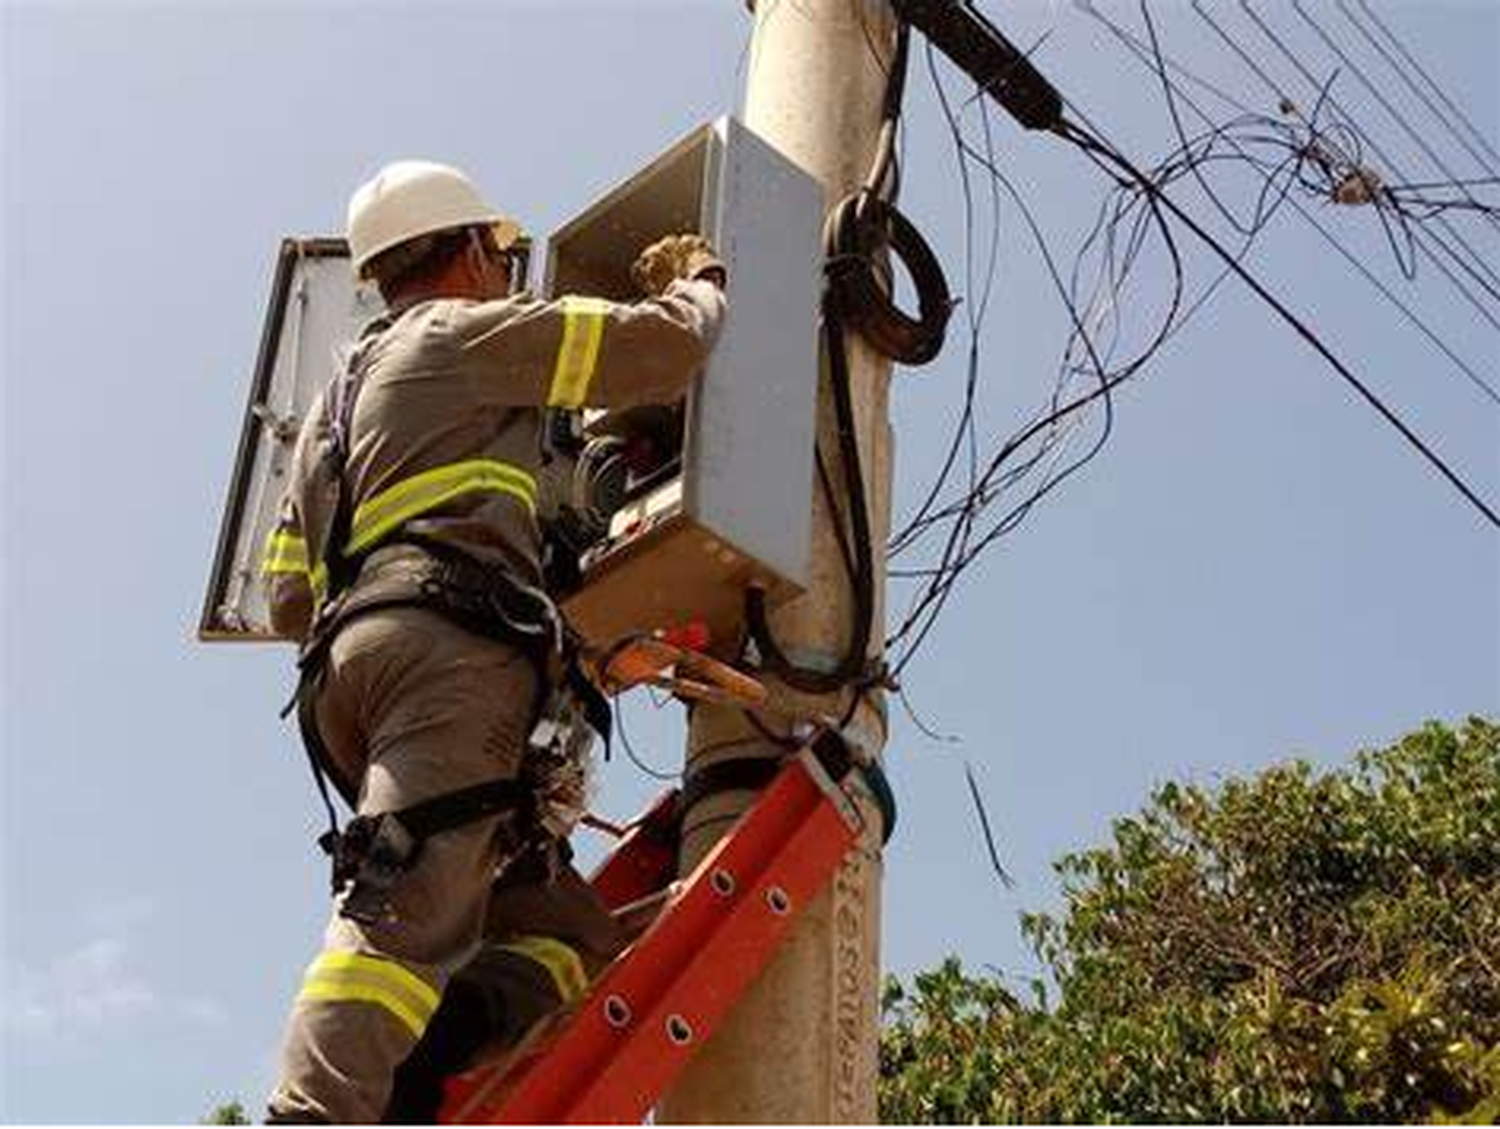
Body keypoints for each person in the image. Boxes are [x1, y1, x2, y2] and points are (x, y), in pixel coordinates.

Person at [259, 158, 726, 1123]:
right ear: (474, 249)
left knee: (557, 934)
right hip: (446, 671)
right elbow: (660, 351)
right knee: (395, 922)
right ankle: (312, 1111)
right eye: (507, 260)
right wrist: (700, 285)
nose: (510, 277)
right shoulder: (465, 335)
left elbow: (281, 600)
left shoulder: (326, 411)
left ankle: (418, 1070)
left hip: (351, 682)